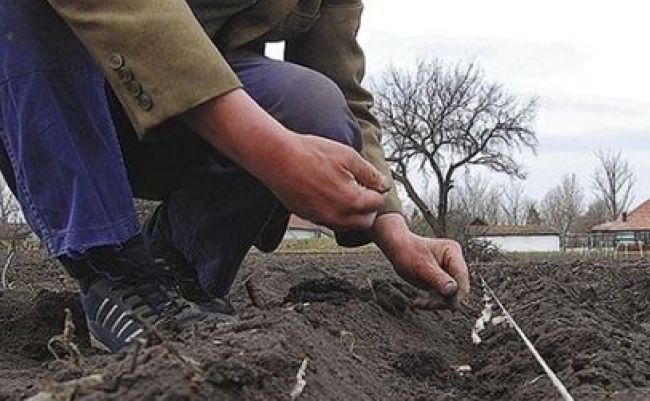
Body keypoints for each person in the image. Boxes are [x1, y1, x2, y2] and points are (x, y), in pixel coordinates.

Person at [0, 0, 469, 353]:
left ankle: (174, 267)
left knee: (315, 109)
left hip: (169, 114)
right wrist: (271, 150)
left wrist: (391, 227)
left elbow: (341, 85)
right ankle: (111, 271)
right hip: (39, 86)